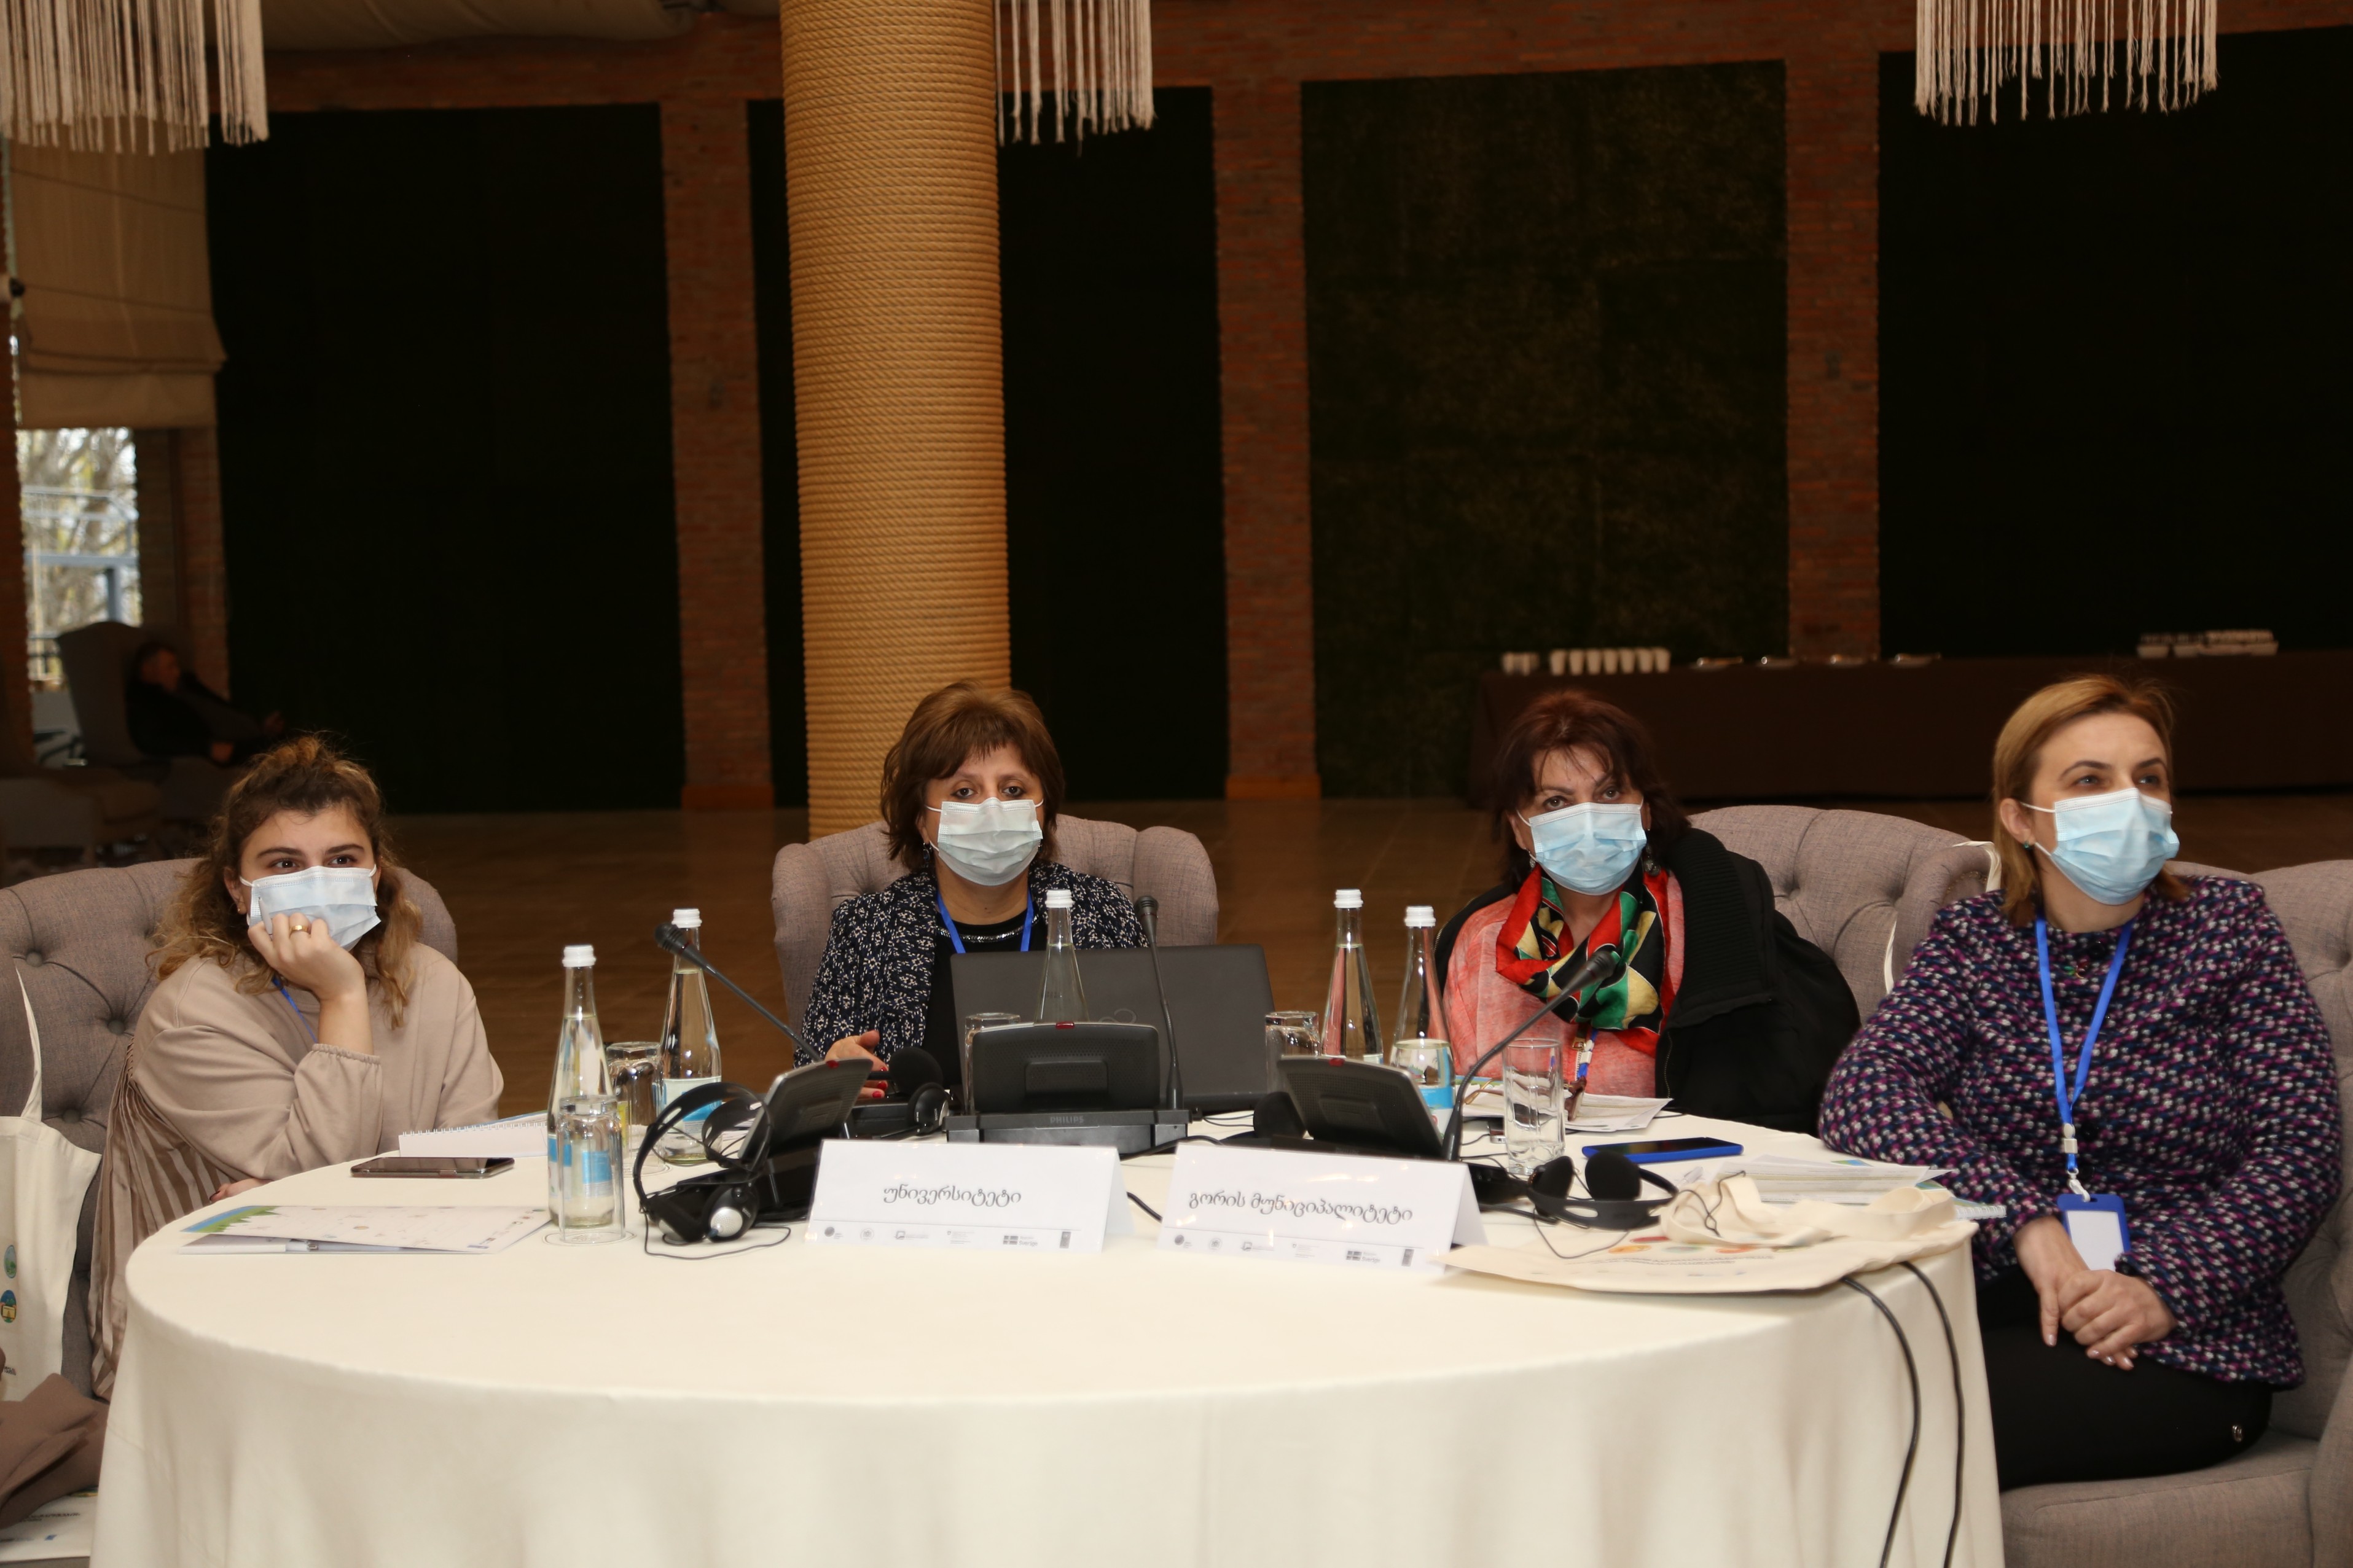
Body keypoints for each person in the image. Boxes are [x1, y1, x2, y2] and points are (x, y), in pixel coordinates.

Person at [1819, 676, 2341, 1489]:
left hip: (2182, 1342)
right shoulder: (1974, 941)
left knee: (1889, 1429)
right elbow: (1863, 1092)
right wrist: (2024, 1221)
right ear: (2019, 818)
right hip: (2000, 1297)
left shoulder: (2228, 929)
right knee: (1800, 1390)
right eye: (2090, 780)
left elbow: (2299, 1150)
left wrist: (2161, 1284)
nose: (2129, 801)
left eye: (2148, 777)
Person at [87, 738, 503, 1397]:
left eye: (341, 860)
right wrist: (342, 997)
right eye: (284, 863)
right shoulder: (192, 1012)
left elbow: (473, 1169)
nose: (317, 881)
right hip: (212, 1329)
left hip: (404, 1294)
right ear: (237, 888)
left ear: (374, 874)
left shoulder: (433, 982)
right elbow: (321, 1178)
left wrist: (297, 1194)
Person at [1437, 689, 1858, 1129]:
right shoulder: (1483, 942)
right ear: (1520, 829)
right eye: (1556, 802)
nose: (1588, 818)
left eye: (1609, 792)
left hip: (1681, 1166)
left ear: (1646, 809)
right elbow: (1458, 1108)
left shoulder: (1704, 923)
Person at [799, 684, 1143, 1093]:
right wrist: (832, 1076)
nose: (992, 809)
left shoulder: (1101, 910)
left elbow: (1156, 1063)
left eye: (1013, 790)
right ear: (922, 821)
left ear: (1044, 808)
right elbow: (810, 1081)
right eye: (964, 792)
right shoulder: (867, 928)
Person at [122, 639, 281, 766]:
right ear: (148, 670)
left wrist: (258, 726)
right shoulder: (145, 701)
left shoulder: (188, 686)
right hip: (225, 749)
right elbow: (154, 740)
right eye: (170, 667)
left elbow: (223, 710)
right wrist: (206, 747)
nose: (177, 673)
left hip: (250, 737)